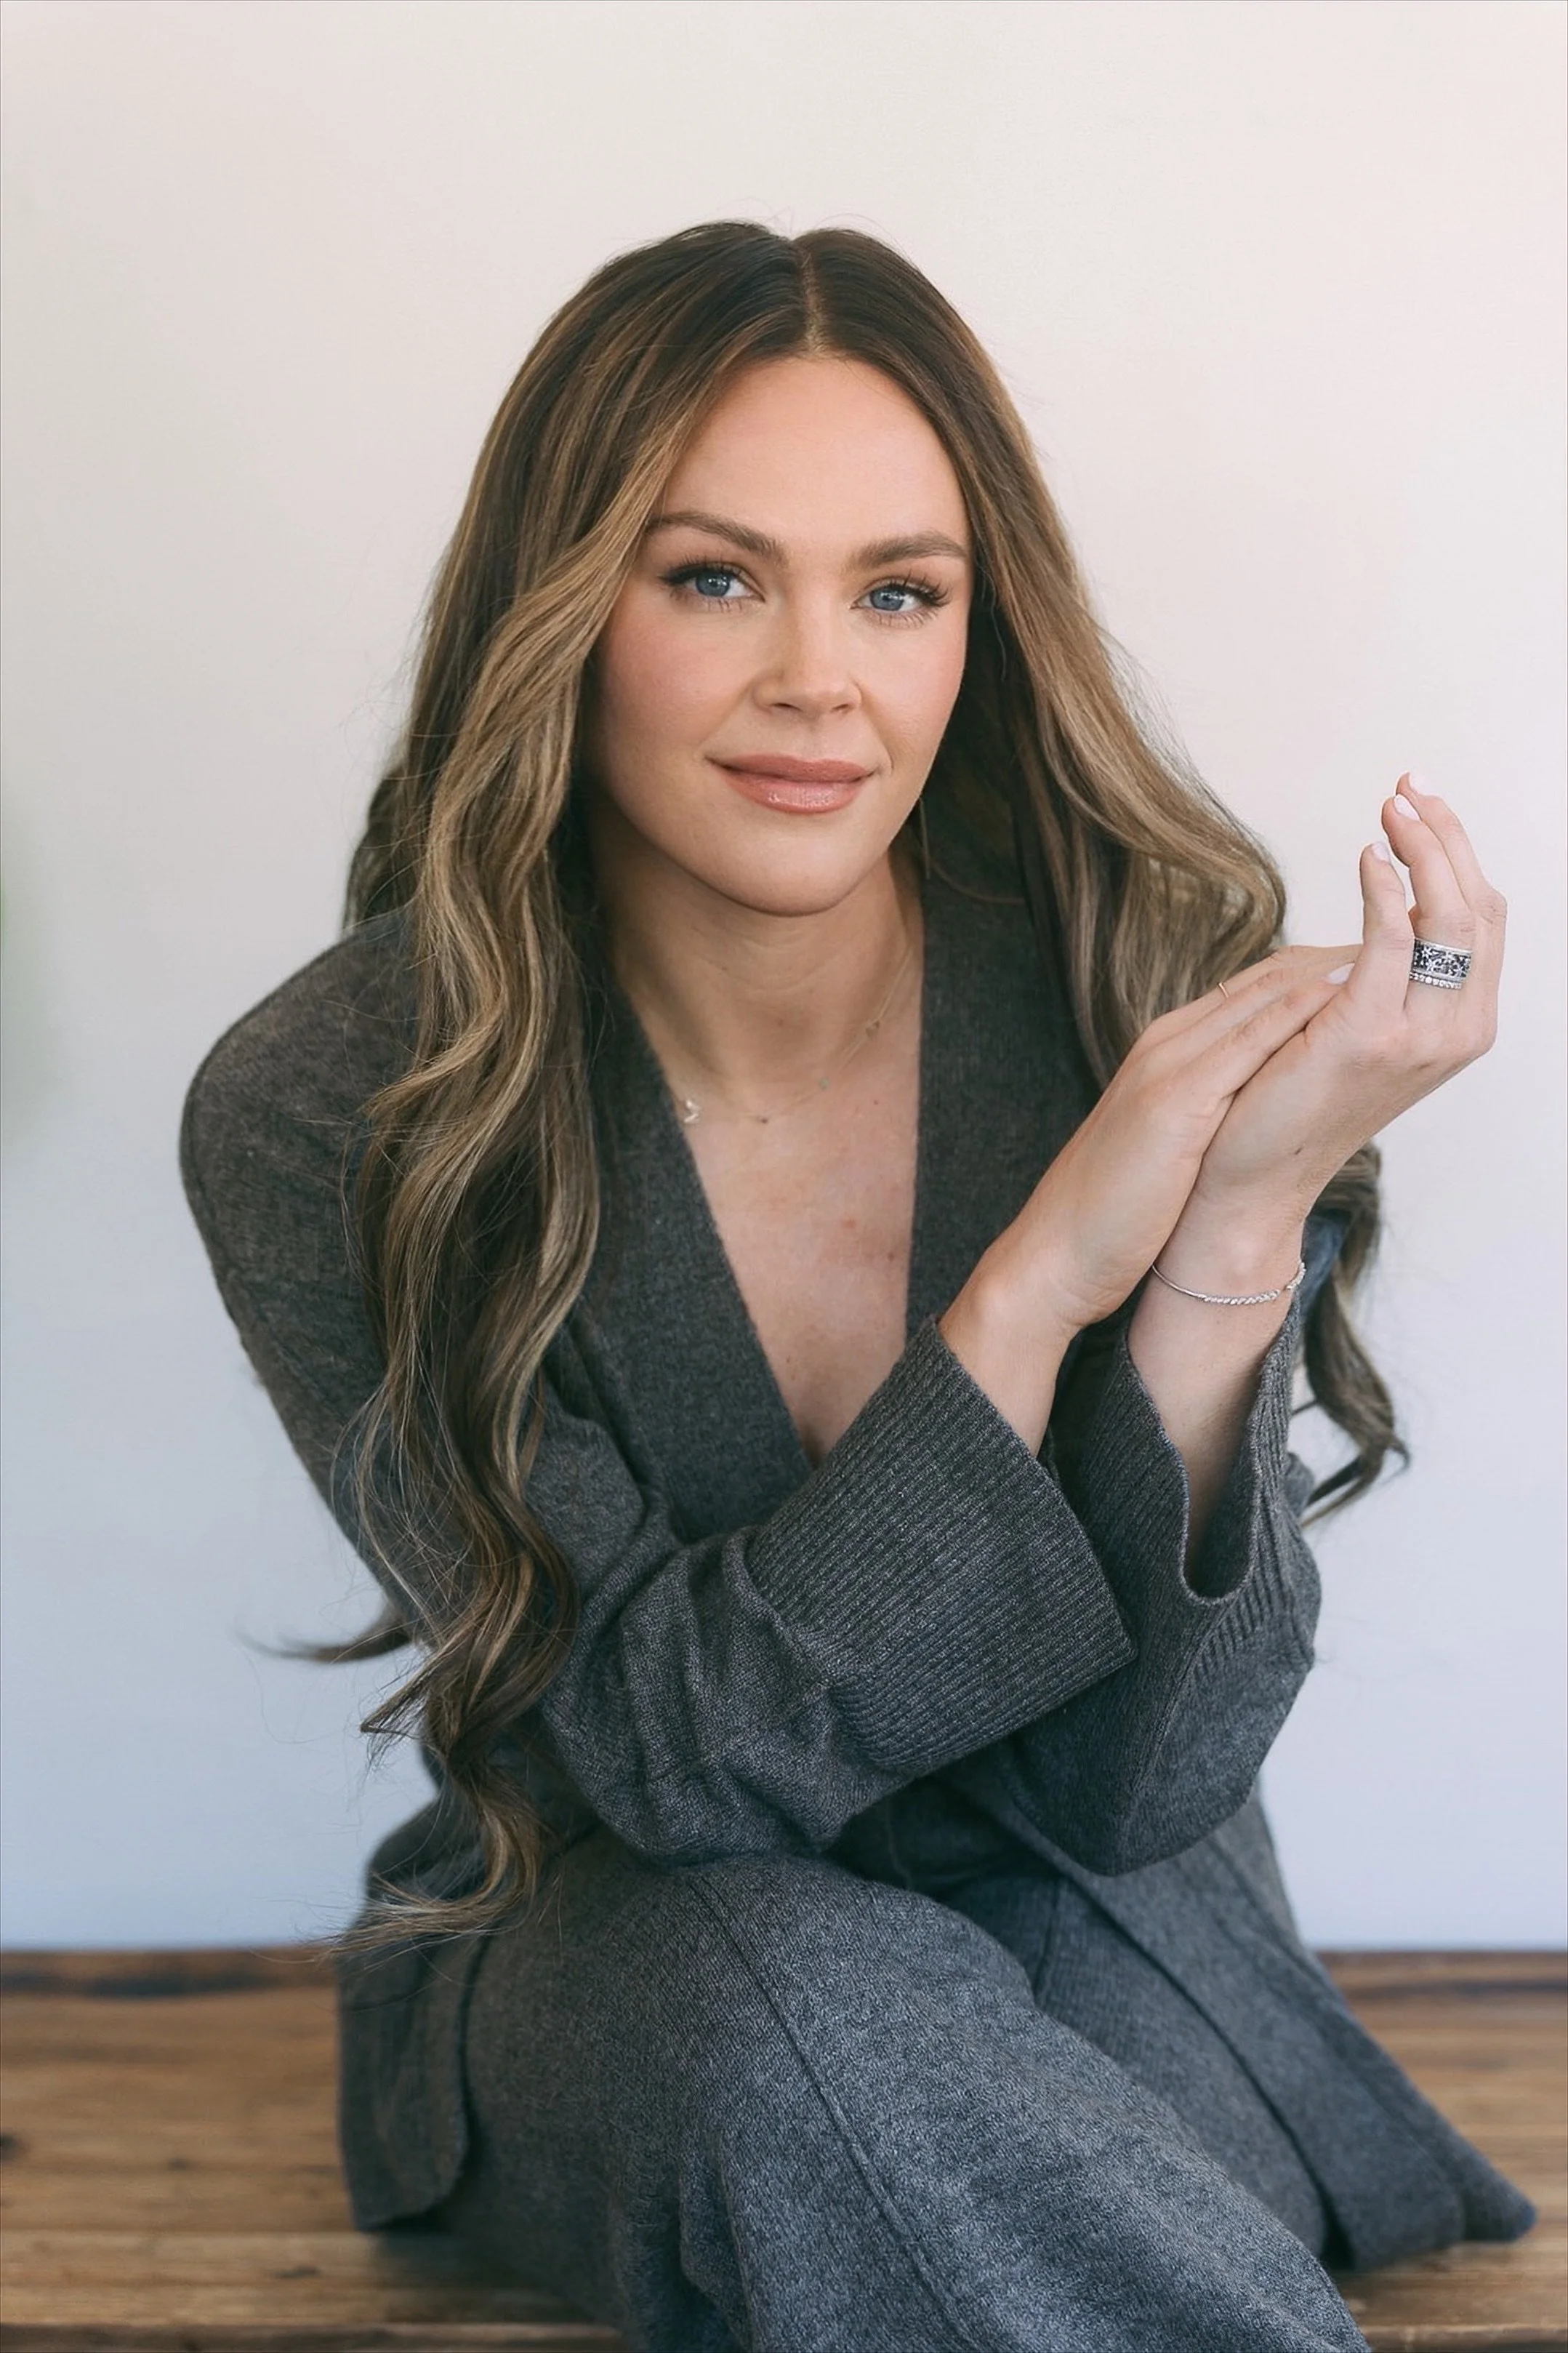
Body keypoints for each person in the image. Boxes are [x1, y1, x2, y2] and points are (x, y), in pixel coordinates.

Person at [180, 222, 1529, 2352]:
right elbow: (663, 1762)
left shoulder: (1118, 977)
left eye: (899, 592)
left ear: (978, 630)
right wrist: (1036, 1282)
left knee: (1021, 2095)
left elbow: (1136, 1790)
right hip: (635, 1947)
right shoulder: (337, 1106)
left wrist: (1226, 1232)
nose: (821, 679)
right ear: (561, 609)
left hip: (1096, 1916)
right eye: (714, 579)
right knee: (799, 2017)